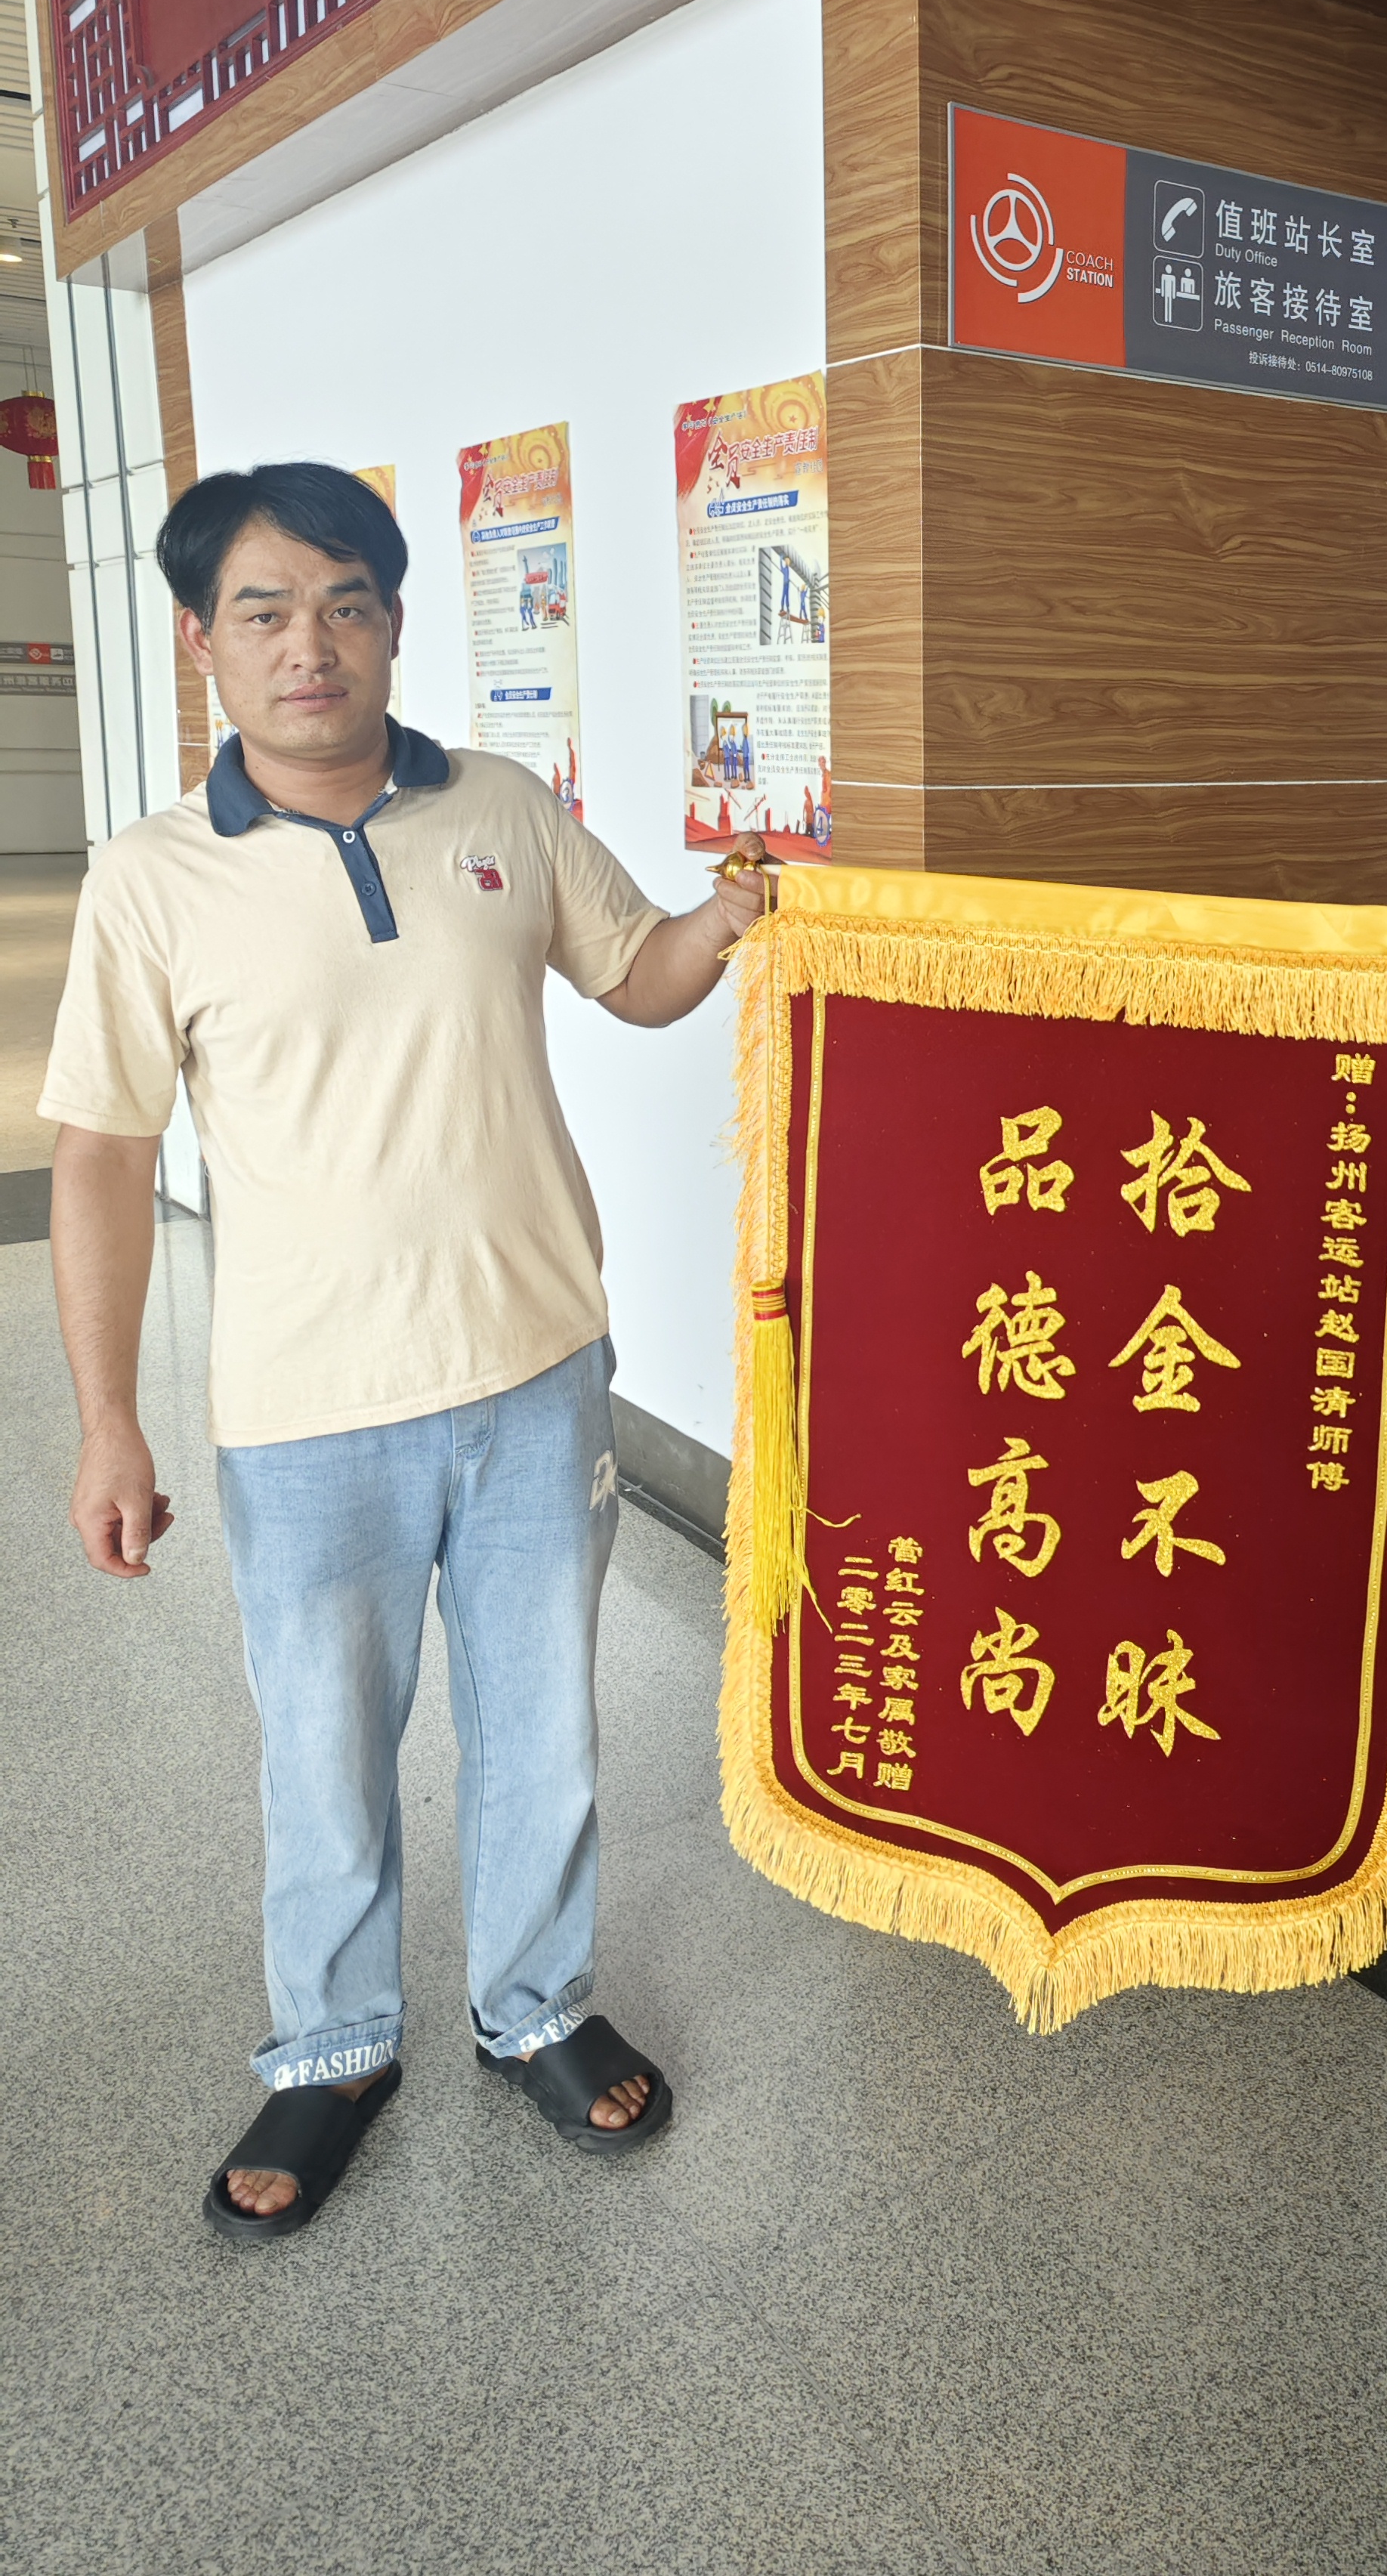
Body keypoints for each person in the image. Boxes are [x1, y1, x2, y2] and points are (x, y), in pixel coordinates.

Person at [42, 463, 772, 2244]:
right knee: (322, 1749)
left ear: (392, 622)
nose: (311, 644)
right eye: (267, 611)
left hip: (537, 1371)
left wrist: (729, 917)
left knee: (545, 1726)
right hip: (307, 1406)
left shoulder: (499, 805)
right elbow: (105, 1156)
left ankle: (536, 2004)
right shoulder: (152, 878)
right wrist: (107, 1417)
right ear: (201, 640)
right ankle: (332, 2043)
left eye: (348, 603)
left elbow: (639, 971)